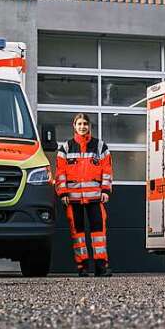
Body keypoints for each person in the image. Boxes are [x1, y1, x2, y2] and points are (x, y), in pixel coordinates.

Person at [55, 113, 113, 277]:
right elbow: (60, 173)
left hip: (95, 197)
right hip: (73, 199)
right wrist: (63, 192)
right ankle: (83, 267)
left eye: (85, 124)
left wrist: (106, 190)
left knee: (99, 234)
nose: (82, 127)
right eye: (79, 124)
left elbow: (107, 171)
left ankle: (101, 267)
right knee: (78, 234)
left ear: (89, 126)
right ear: (74, 126)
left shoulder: (100, 147)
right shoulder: (65, 148)